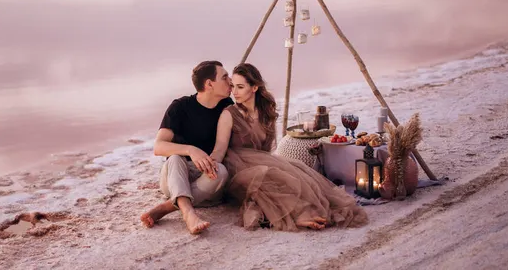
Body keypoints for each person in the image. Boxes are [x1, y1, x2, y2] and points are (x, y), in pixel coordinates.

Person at [210, 63, 369, 231]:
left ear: (255, 87)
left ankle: (310, 209)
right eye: (233, 86)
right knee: (269, 178)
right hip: (237, 167)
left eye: (240, 87)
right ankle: (298, 215)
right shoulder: (229, 114)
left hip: (262, 160)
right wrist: (210, 164)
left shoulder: (265, 113)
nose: (234, 92)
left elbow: (266, 150)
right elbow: (219, 149)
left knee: (295, 174)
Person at [140, 60, 234, 234]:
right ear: (209, 84)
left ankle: (166, 207)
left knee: (221, 171)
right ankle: (188, 213)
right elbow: (159, 147)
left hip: (206, 181)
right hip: (176, 177)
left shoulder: (226, 106)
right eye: (225, 77)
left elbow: (221, 147)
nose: (231, 81)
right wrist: (191, 150)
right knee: (175, 158)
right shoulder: (180, 107)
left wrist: (209, 164)